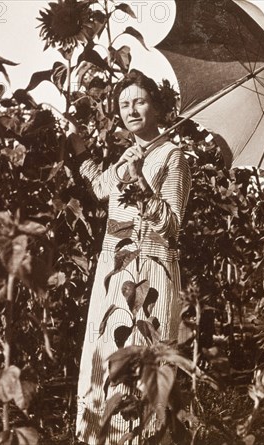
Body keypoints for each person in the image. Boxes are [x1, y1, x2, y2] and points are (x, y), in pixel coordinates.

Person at [68, 69, 191, 444]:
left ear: (157, 106)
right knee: (108, 355)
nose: (131, 110)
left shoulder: (174, 158)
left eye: (139, 101)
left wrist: (139, 180)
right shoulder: (129, 152)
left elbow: (171, 225)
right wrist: (79, 150)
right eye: (124, 103)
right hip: (115, 266)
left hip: (150, 272)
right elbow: (101, 188)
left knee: (143, 362)